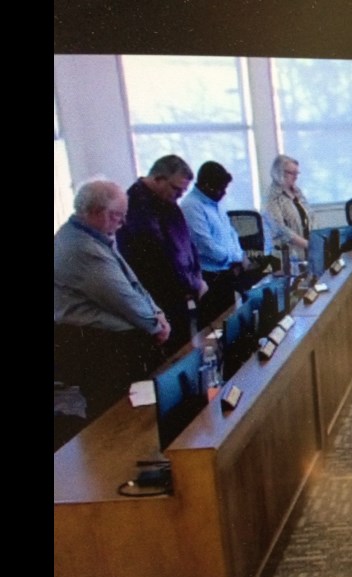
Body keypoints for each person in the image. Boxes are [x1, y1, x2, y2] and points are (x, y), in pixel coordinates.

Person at [54, 179, 171, 416]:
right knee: (115, 417)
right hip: (98, 347)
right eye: (118, 215)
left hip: (113, 342)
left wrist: (156, 313)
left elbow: (133, 283)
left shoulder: (94, 236)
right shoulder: (80, 246)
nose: (123, 222)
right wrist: (154, 324)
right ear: (98, 212)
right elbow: (122, 297)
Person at [116, 155, 207, 353]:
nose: (180, 195)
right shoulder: (135, 206)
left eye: (184, 191)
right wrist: (193, 283)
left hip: (181, 291)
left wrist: (197, 277)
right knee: (172, 357)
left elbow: (187, 242)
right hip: (159, 298)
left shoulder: (168, 200)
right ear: (158, 179)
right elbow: (162, 257)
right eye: (176, 189)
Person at [181, 161, 260, 327]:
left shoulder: (215, 203)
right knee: (214, 328)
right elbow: (206, 246)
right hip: (210, 278)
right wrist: (237, 257)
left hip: (227, 273)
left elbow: (231, 233)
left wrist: (240, 255)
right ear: (206, 185)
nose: (223, 193)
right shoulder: (191, 206)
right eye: (220, 189)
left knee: (230, 323)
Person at [263, 154, 311, 261]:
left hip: (304, 252)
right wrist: (307, 244)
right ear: (278, 172)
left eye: (297, 173)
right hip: (283, 257)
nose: (296, 176)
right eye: (292, 173)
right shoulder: (271, 196)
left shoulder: (297, 191)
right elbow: (280, 230)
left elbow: (309, 217)